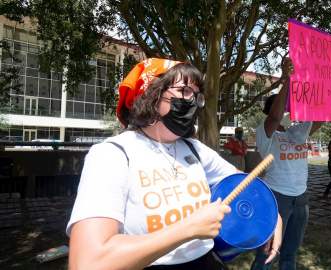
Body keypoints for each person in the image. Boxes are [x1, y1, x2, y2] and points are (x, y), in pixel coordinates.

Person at [66, 58, 282, 269]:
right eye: (183, 91)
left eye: (196, 96)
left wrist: (273, 216)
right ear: (152, 92)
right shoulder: (113, 154)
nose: (192, 102)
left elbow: (245, 184)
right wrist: (187, 229)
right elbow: (88, 261)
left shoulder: (193, 148)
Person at [250, 57, 324, 270]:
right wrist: (288, 80)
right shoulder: (265, 133)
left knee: (290, 253)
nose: (287, 111)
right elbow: (274, 119)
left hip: (300, 198)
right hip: (277, 197)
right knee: (267, 253)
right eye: (284, 106)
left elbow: (321, 117)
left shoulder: (296, 132)